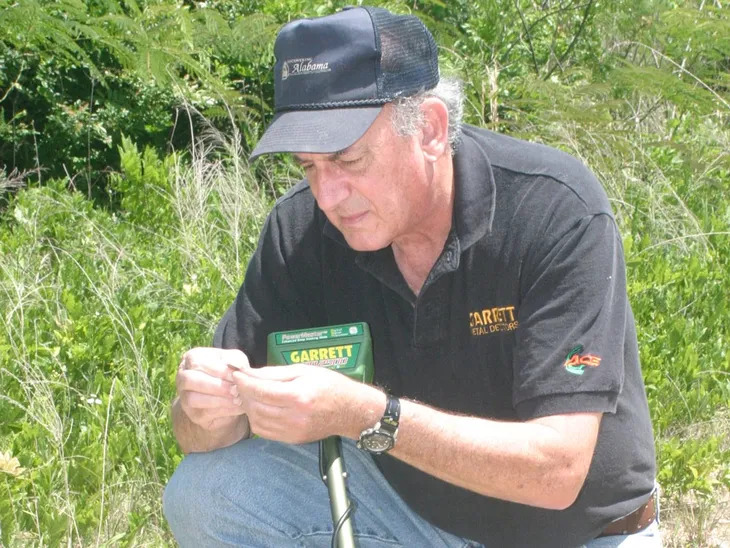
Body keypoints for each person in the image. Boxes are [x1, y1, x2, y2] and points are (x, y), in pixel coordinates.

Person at [163, 6, 659, 547]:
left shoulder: (554, 211)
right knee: (205, 491)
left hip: (580, 535)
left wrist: (368, 416)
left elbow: (558, 471)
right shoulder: (301, 230)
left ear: (429, 130)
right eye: (308, 166)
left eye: (348, 160)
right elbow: (198, 435)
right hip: (415, 522)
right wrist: (204, 409)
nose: (327, 196)